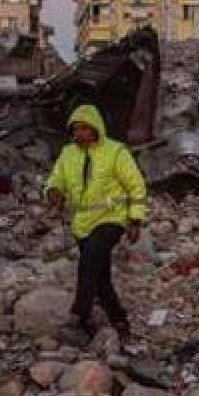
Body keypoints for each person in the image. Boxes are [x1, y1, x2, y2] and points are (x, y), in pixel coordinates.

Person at [44, 104, 147, 339]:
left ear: (96, 128)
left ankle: (77, 317)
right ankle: (120, 321)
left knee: (88, 263)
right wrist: (53, 192)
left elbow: (136, 185)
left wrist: (135, 219)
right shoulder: (68, 154)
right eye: (76, 129)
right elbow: (55, 179)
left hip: (112, 219)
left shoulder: (115, 152)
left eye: (85, 128)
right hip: (82, 223)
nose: (80, 133)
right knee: (100, 278)